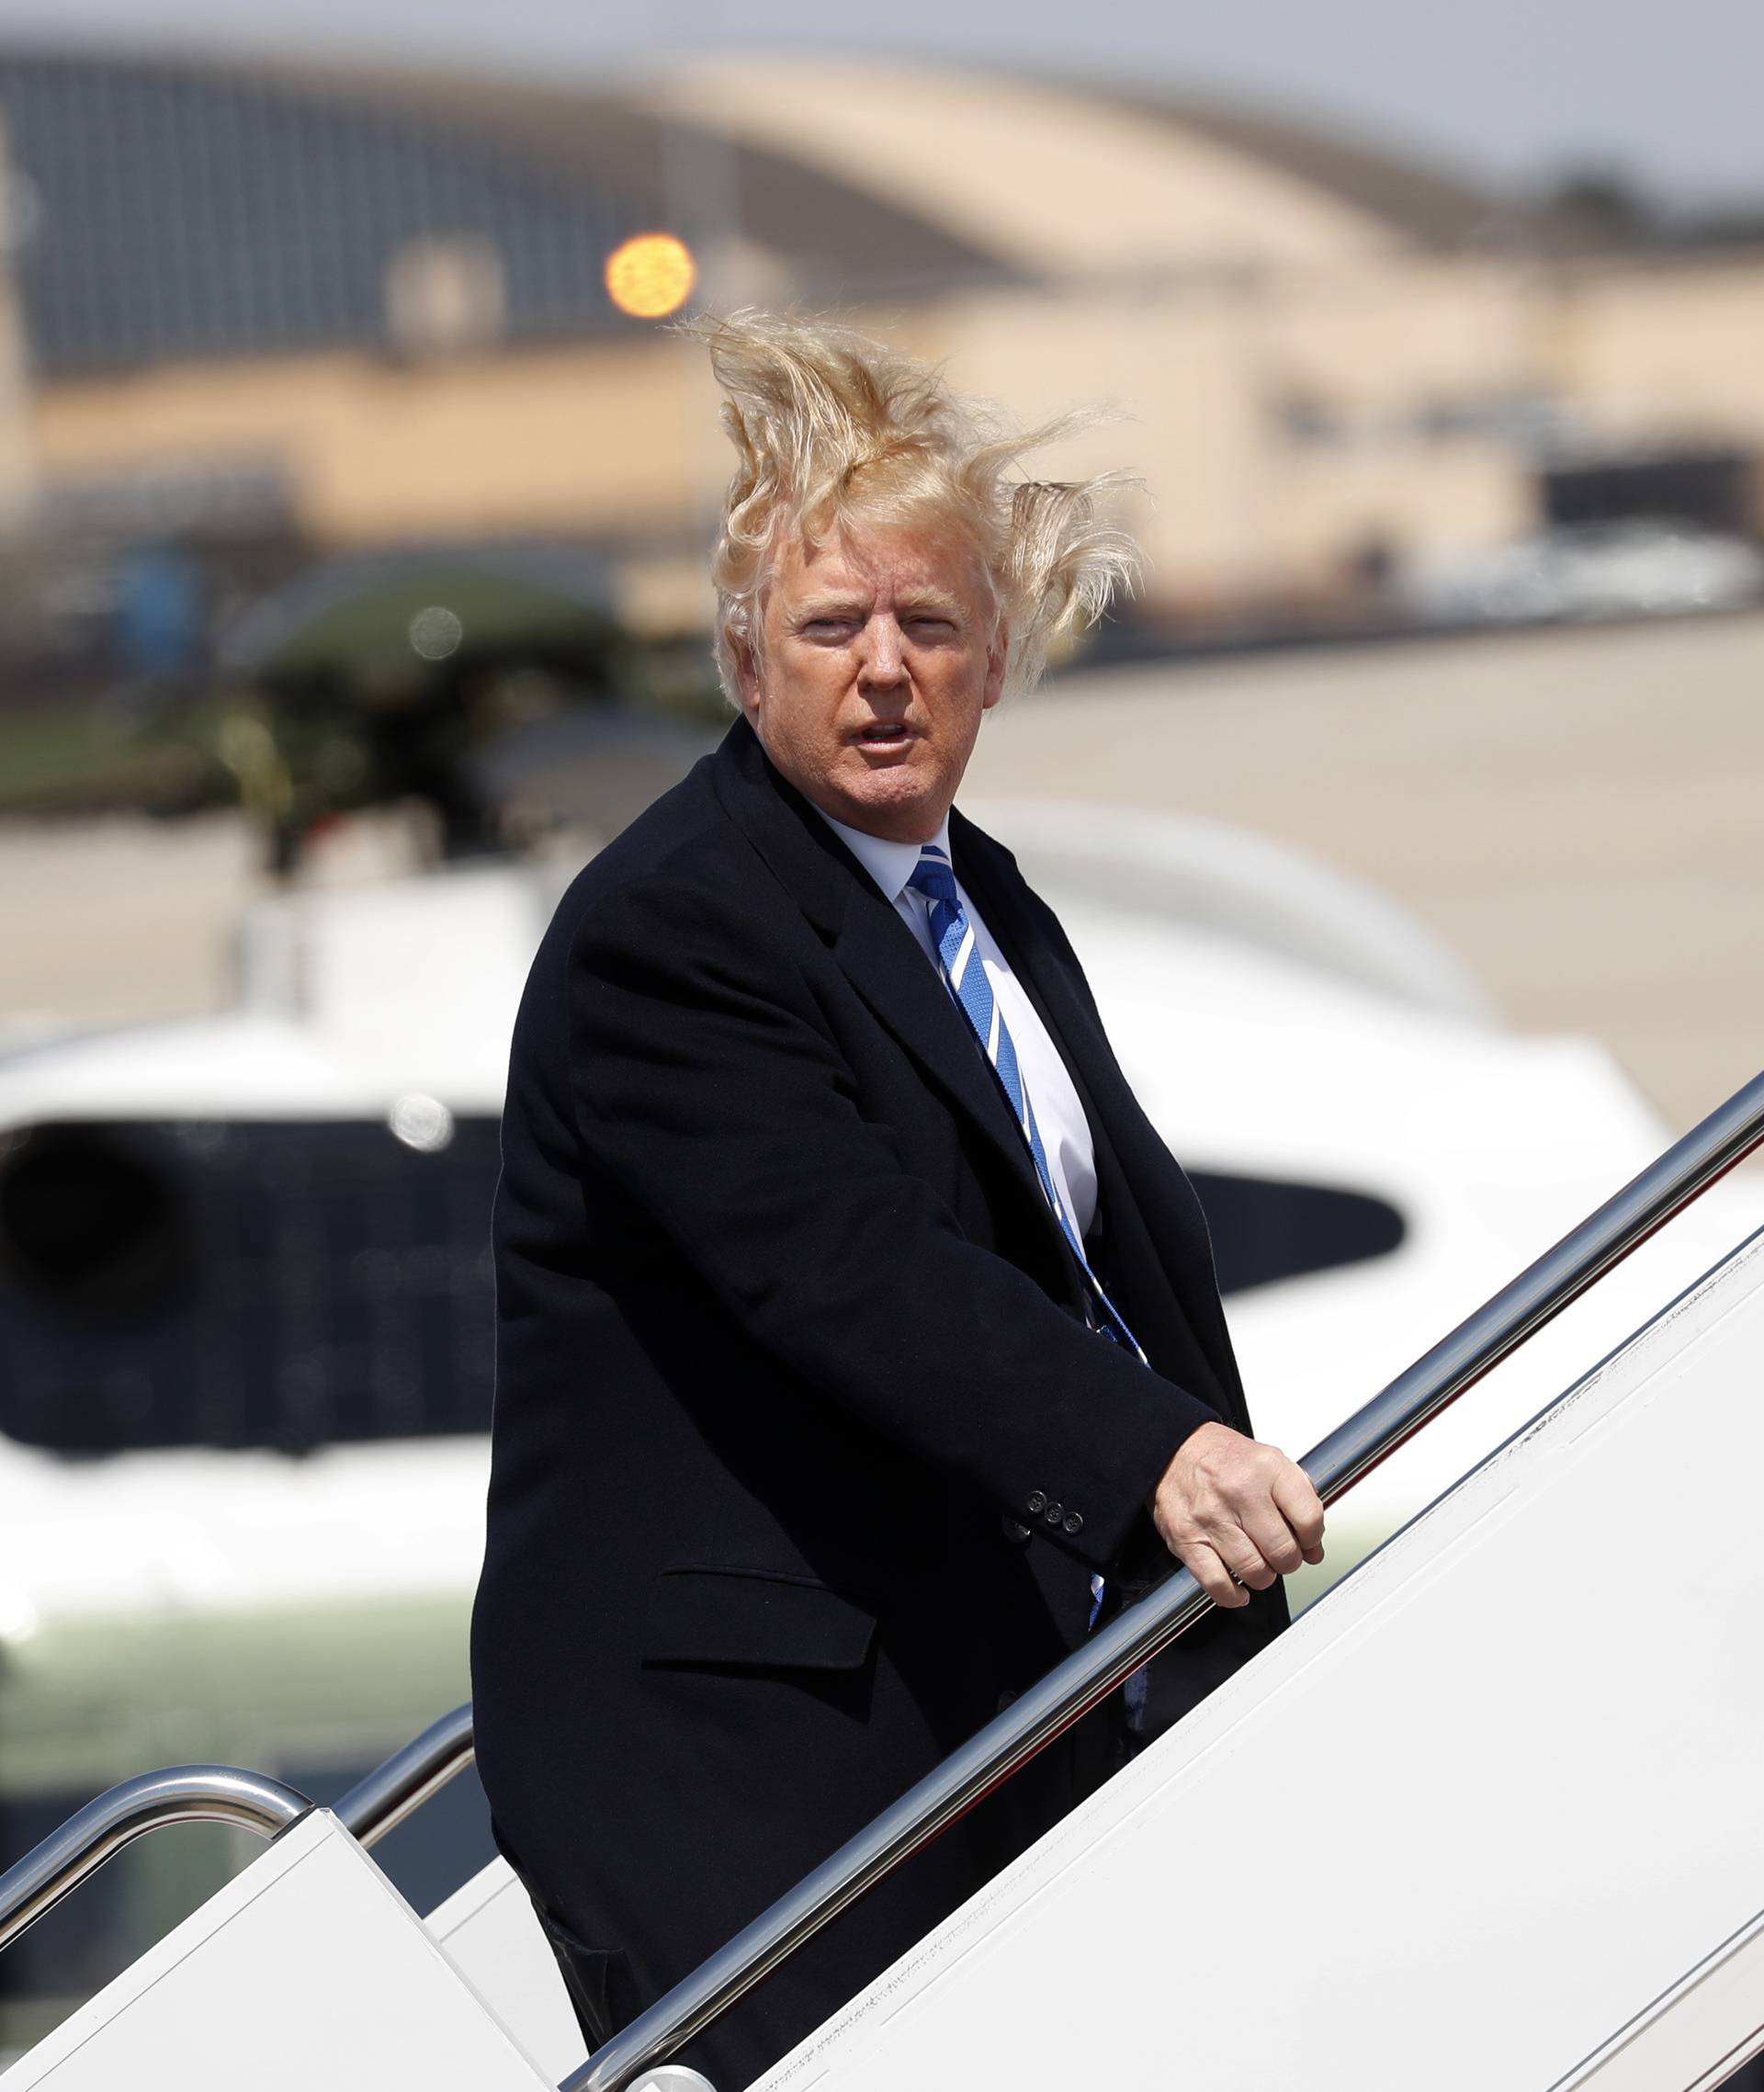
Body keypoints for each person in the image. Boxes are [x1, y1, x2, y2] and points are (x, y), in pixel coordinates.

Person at [470, 311, 1325, 2086]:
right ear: (741, 662)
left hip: (979, 1691)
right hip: (748, 1748)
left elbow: (1111, 1253)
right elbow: (844, 1264)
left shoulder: (973, 899)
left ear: (995, 658)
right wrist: (1147, 1459)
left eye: (927, 625)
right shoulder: (675, 926)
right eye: (829, 626)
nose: (882, 671)